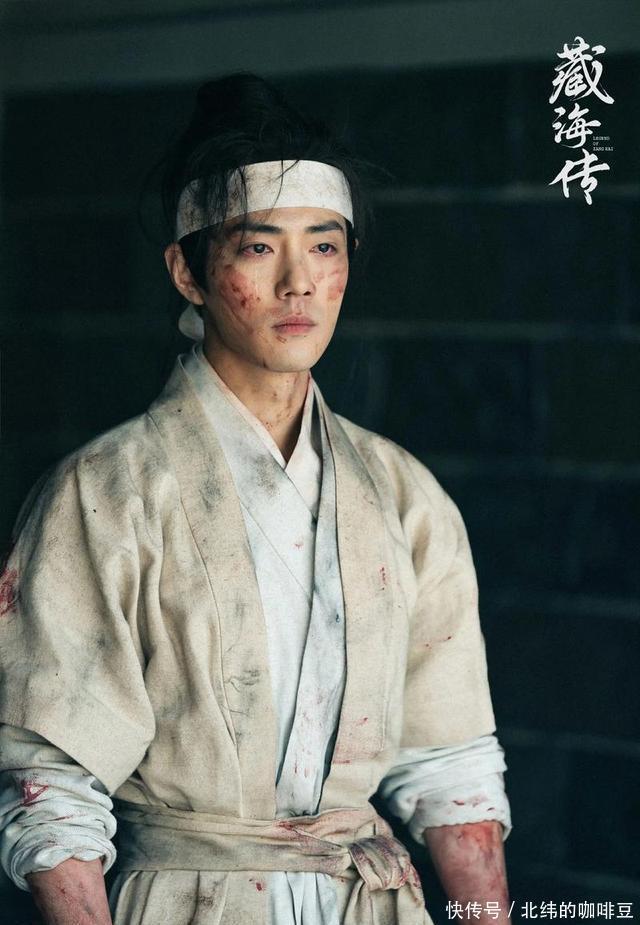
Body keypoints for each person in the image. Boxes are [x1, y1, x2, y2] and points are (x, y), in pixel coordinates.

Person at [0, 74, 512, 925]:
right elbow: (50, 784)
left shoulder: (402, 493)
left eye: (324, 246)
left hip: (370, 902)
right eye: (258, 247)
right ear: (188, 271)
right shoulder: (105, 493)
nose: (298, 283)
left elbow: (453, 771)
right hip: (190, 899)